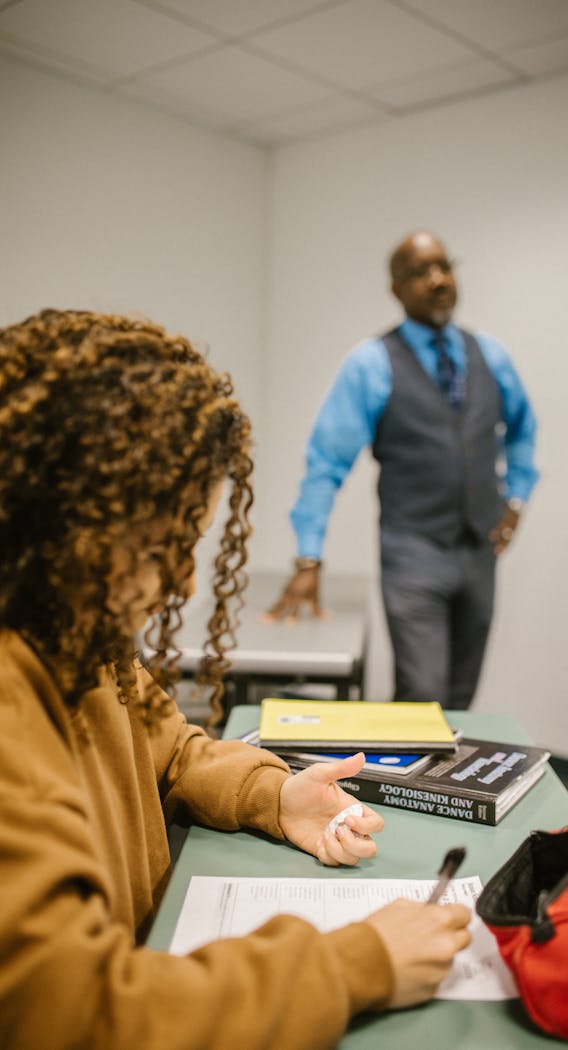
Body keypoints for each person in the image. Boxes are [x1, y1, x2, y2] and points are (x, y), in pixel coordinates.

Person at [0, 309, 472, 1050]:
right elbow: (83, 1015)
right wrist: (358, 963)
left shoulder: (80, 635)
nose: (186, 582)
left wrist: (274, 795)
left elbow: (174, 750)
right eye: (162, 547)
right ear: (62, 526)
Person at [268, 231, 539, 709]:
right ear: (396, 289)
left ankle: (447, 787)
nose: (437, 280)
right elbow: (326, 463)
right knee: (422, 692)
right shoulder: (371, 364)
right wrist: (309, 557)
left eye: (444, 266)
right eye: (419, 272)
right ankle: (400, 785)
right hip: (412, 551)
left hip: (480, 551)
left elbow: (523, 430)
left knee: (460, 697)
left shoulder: (490, 355)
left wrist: (515, 499)